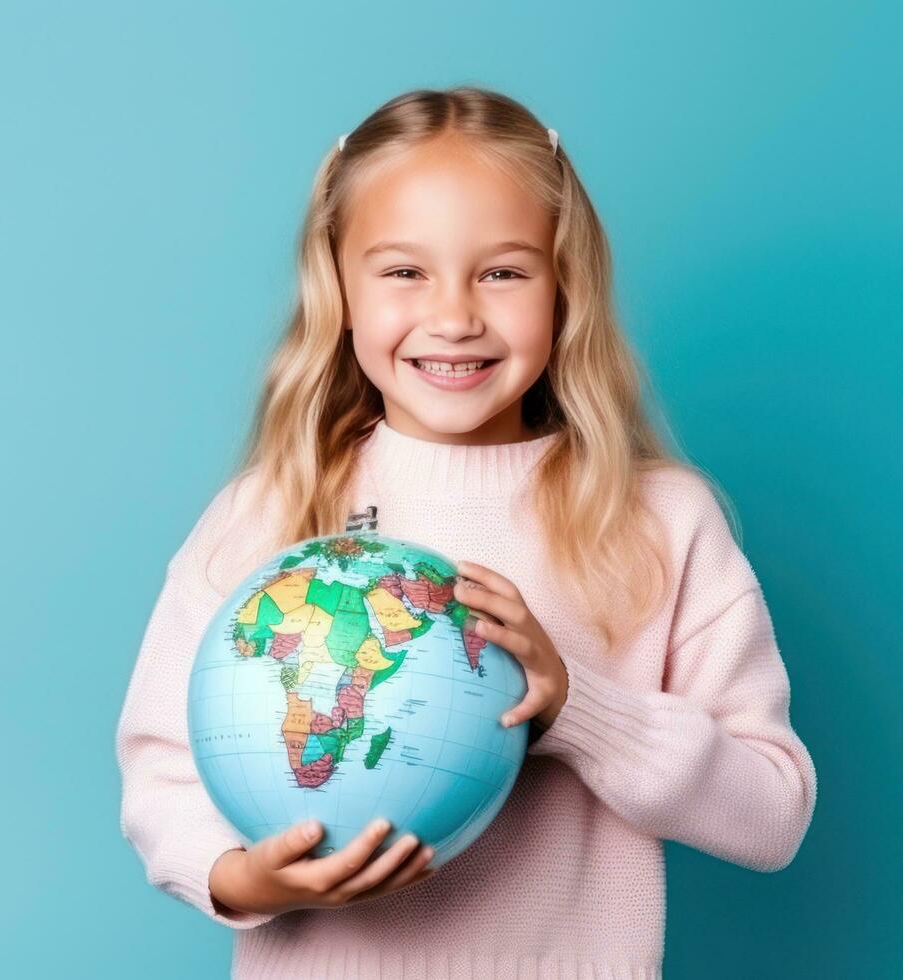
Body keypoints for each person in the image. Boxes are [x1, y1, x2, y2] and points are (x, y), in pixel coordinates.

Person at [115, 85, 817, 979]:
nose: (454, 317)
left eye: (503, 272)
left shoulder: (658, 521)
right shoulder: (271, 510)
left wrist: (576, 707)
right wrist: (248, 881)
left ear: (567, 290)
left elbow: (773, 815)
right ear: (338, 287)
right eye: (404, 271)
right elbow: (160, 773)